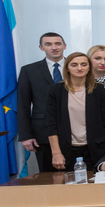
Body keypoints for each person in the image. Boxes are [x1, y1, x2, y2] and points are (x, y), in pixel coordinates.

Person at [45, 52, 105, 170]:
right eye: (74, 65)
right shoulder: (56, 90)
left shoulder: (98, 89)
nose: (79, 68)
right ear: (67, 68)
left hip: (95, 148)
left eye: (83, 64)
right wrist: (56, 153)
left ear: (89, 68)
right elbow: (51, 123)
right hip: (66, 149)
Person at [17, 32, 68, 172]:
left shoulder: (77, 67)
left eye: (58, 44)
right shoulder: (29, 70)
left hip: (75, 132)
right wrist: (26, 136)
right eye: (48, 44)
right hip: (43, 133)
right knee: (48, 176)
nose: (54, 47)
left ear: (64, 46)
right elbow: (23, 105)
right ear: (41, 47)